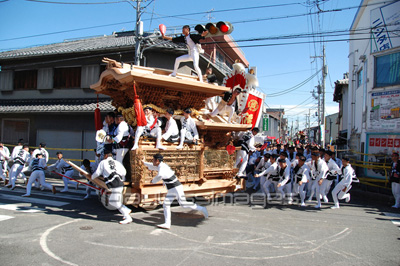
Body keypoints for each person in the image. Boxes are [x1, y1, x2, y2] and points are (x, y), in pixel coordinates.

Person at [142, 153, 208, 229]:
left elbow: (160, 175)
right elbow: (152, 166)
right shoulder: (160, 165)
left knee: (183, 204)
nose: (152, 161)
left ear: (157, 161)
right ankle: (167, 223)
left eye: (153, 160)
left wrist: (152, 181)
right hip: (171, 189)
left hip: (176, 187)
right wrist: (144, 163)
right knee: (166, 204)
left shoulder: (162, 167)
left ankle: (202, 209)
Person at [89, 150, 132, 224]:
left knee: (115, 202)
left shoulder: (103, 162)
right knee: (113, 201)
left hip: (114, 184)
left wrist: (91, 177)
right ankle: (126, 210)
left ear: (105, 156)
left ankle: (128, 217)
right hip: (120, 183)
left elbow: (97, 172)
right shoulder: (117, 162)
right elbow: (124, 172)